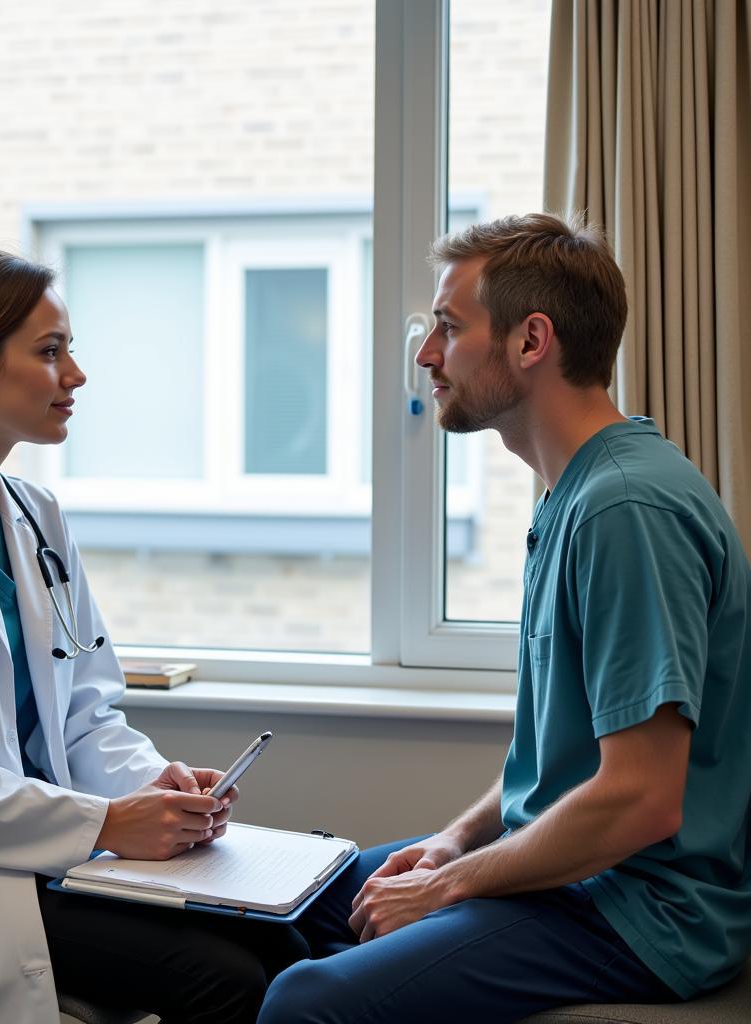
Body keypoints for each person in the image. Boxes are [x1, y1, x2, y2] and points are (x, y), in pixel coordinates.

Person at [258, 213, 751, 1024]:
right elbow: (556, 767)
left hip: (638, 910)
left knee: (306, 1004)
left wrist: (446, 885)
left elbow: (644, 800)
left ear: (531, 342)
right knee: (290, 901)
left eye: (448, 329)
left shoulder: (625, 509)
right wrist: (456, 840)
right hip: (581, 879)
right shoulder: (575, 494)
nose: (426, 355)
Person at [0, 246, 306, 1024]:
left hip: (45, 845)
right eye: (50, 351)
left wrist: (151, 789)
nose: (76, 374)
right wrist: (106, 823)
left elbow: (87, 713)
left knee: (284, 947)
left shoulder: (36, 516)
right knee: (229, 980)